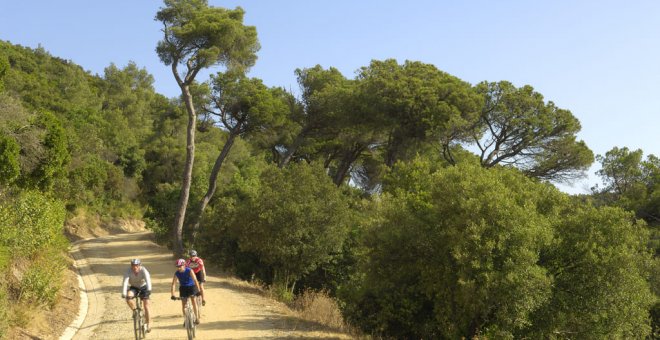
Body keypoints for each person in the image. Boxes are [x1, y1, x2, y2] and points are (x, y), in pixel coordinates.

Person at [121, 258, 152, 333]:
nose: (135, 267)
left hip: (143, 286)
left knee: (146, 305)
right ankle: (135, 311)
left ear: (139, 265)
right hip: (134, 287)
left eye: (137, 265)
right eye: (133, 265)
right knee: (128, 298)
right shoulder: (128, 271)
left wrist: (149, 289)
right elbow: (125, 282)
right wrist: (123, 293)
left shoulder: (143, 270)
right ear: (131, 266)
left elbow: (148, 279)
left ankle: (149, 323)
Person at [171, 258, 202, 325]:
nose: (179, 268)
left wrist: (198, 291)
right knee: (183, 304)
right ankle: (186, 319)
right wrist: (172, 294)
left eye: (180, 266)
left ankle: (197, 318)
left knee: (193, 300)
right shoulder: (177, 273)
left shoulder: (189, 270)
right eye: (178, 267)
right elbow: (173, 284)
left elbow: (195, 280)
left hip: (192, 287)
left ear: (184, 265)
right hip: (183, 288)